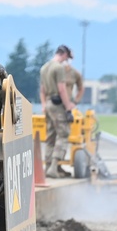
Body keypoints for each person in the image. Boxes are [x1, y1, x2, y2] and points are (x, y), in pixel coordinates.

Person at [39, 45, 76, 178]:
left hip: (48, 104)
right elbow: (62, 89)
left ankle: (48, 167)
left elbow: (42, 89)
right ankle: (54, 167)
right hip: (57, 105)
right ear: (64, 54)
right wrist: (68, 107)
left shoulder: (44, 67)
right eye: (68, 57)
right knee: (63, 134)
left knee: (50, 136)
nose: (67, 60)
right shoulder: (59, 68)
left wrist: (43, 104)